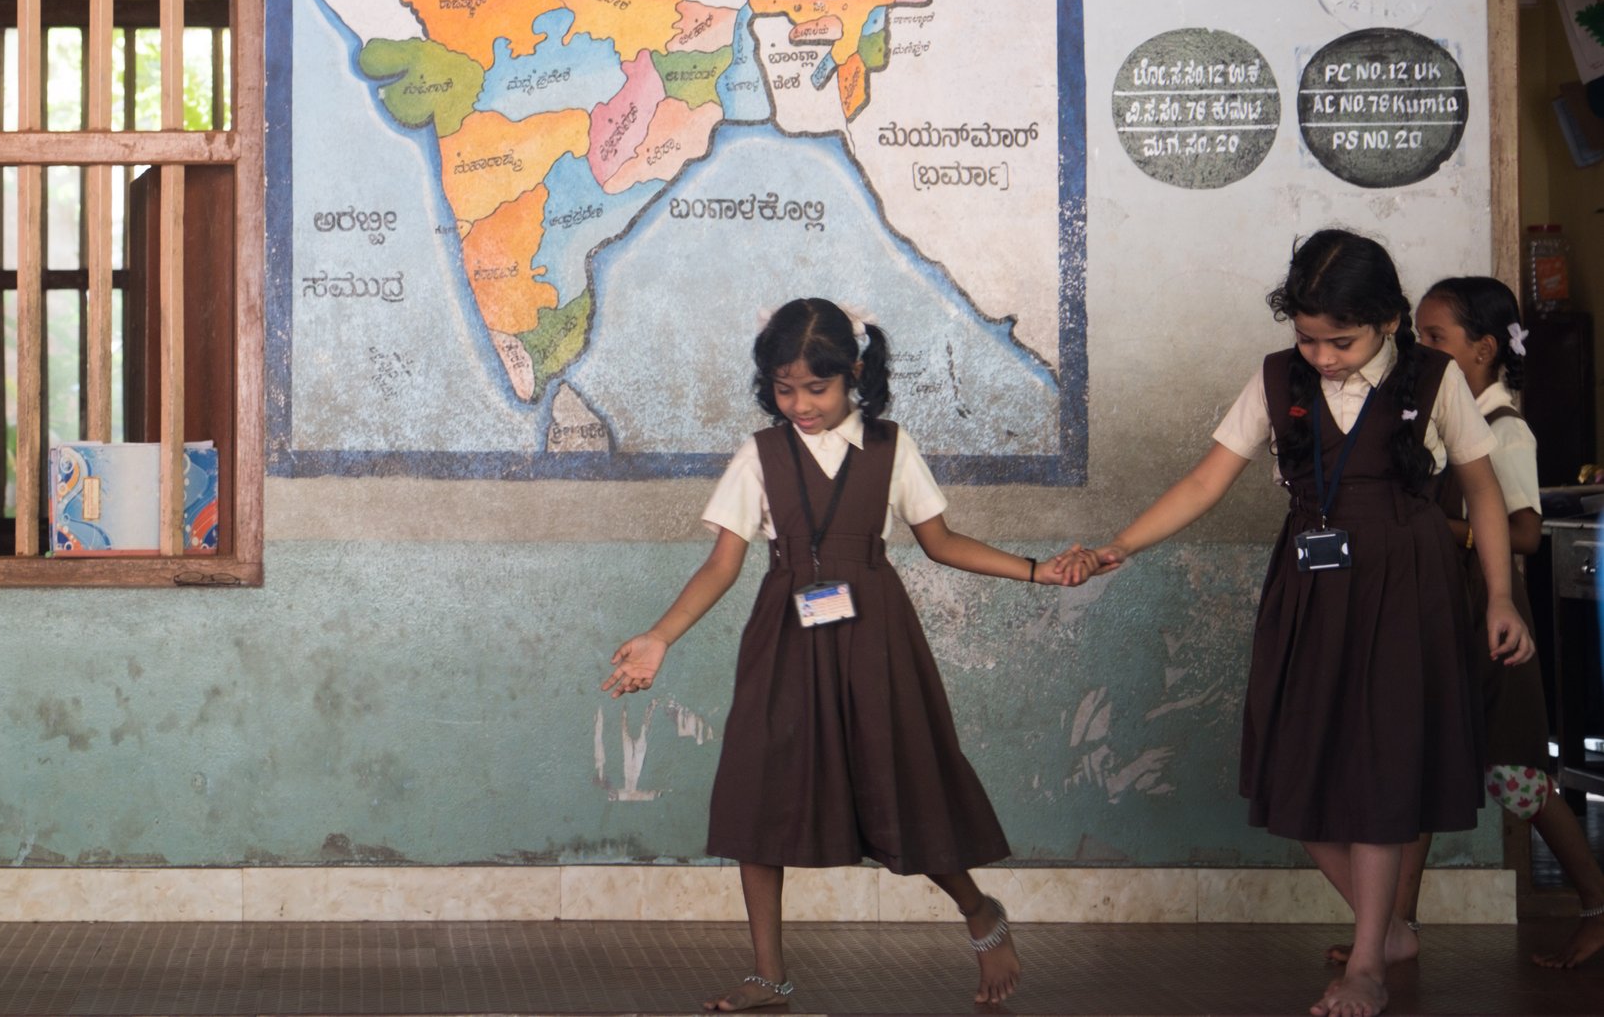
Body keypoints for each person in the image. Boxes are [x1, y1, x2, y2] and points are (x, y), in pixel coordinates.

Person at [1083, 230, 1533, 1017]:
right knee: (1292, 766)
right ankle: (1386, 926)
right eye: (1308, 337)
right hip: (1313, 588)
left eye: (1342, 340)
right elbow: (1205, 478)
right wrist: (1122, 543)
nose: (1323, 355)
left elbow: (1486, 491)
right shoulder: (1275, 379)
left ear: (1390, 319)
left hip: (1408, 586)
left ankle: (1367, 966)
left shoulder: (1436, 378)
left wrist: (1498, 596)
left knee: (1385, 767)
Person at [604, 298, 1093, 1012]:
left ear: (853, 374)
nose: (800, 403)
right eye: (783, 388)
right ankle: (769, 974)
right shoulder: (759, 455)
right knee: (759, 793)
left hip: (876, 640)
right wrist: (659, 635)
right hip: (783, 640)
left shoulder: (893, 448)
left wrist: (1035, 568)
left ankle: (980, 912)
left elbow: (942, 541)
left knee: (902, 786)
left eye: (817, 388)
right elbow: (721, 564)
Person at [1412, 277, 1604, 971]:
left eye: (1435, 337)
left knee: (1520, 777)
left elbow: (1523, 533)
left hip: (1491, 621)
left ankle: (1596, 902)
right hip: (1449, 615)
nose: (1420, 348)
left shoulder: (1504, 429)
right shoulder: (1444, 422)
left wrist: (1445, 524)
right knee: (1422, 767)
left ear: (1483, 349)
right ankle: (1396, 927)